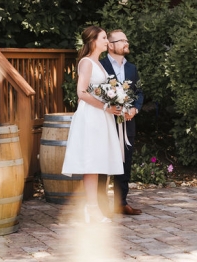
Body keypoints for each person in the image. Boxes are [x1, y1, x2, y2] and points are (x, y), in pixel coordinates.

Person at [62, 26, 124, 223]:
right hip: (92, 116)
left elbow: (98, 90)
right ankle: (91, 210)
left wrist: (115, 100)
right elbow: (81, 92)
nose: (107, 41)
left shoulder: (98, 63)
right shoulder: (87, 62)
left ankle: (92, 209)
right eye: (104, 38)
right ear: (93, 41)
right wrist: (105, 107)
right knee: (91, 162)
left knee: (97, 162)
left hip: (100, 116)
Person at [97, 30, 145, 216]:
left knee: (125, 163)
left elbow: (139, 92)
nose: (127, 42)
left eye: (127, 39)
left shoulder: (132, 68)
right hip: (106, 123)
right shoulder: (99, 66)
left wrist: (135, 109)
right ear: (110, 45)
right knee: (103, 165)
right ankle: (101, 207)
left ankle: (121, 203)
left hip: (128, 123)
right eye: (122, 40)